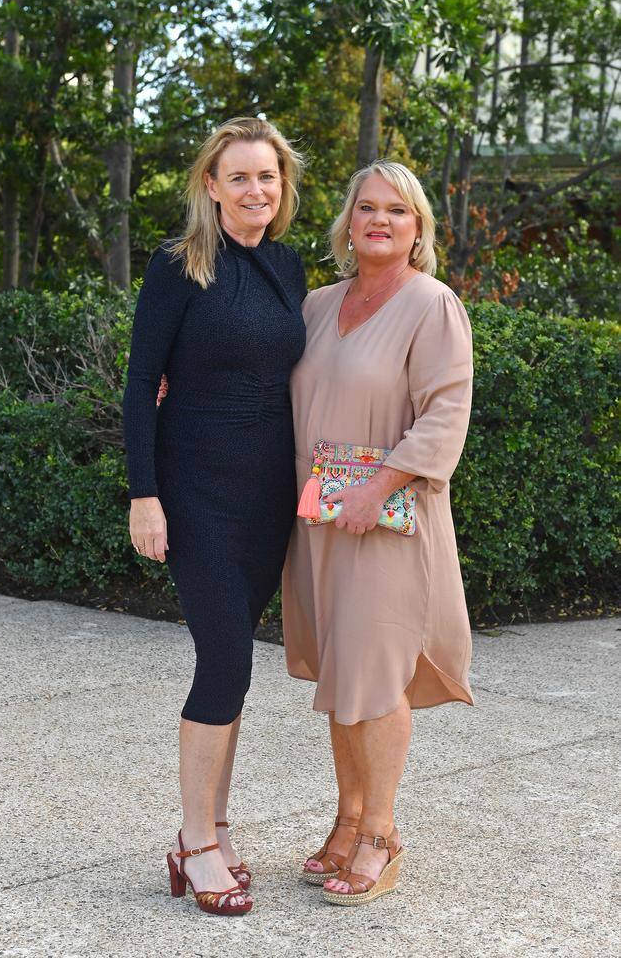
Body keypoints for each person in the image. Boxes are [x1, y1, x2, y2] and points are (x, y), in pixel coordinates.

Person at [122, 117, 306, 916]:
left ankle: (216, 830)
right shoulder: (177, 266)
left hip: (269, 497)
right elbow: (139, 385)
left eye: (267, 177)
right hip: (195, 494)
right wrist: (144, 493)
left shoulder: (288, 269)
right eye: (239, 177)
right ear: (211, 185)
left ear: (282, 186)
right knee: (226, 660)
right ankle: (195, 844)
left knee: (238, 667)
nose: (255, 190)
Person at [282, 160, 474, 907]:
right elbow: (270, 382)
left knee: (373, 673)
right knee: (341, 674)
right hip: (320, 519)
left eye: (397, 210)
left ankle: (382, 835)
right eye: (367, 208)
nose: (380, 220)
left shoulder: (433, 305)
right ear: (348, 222)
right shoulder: (318, 305)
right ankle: (346, 819)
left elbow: (446, 411)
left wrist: (380, 485)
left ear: (417, 226)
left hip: (388, 520)